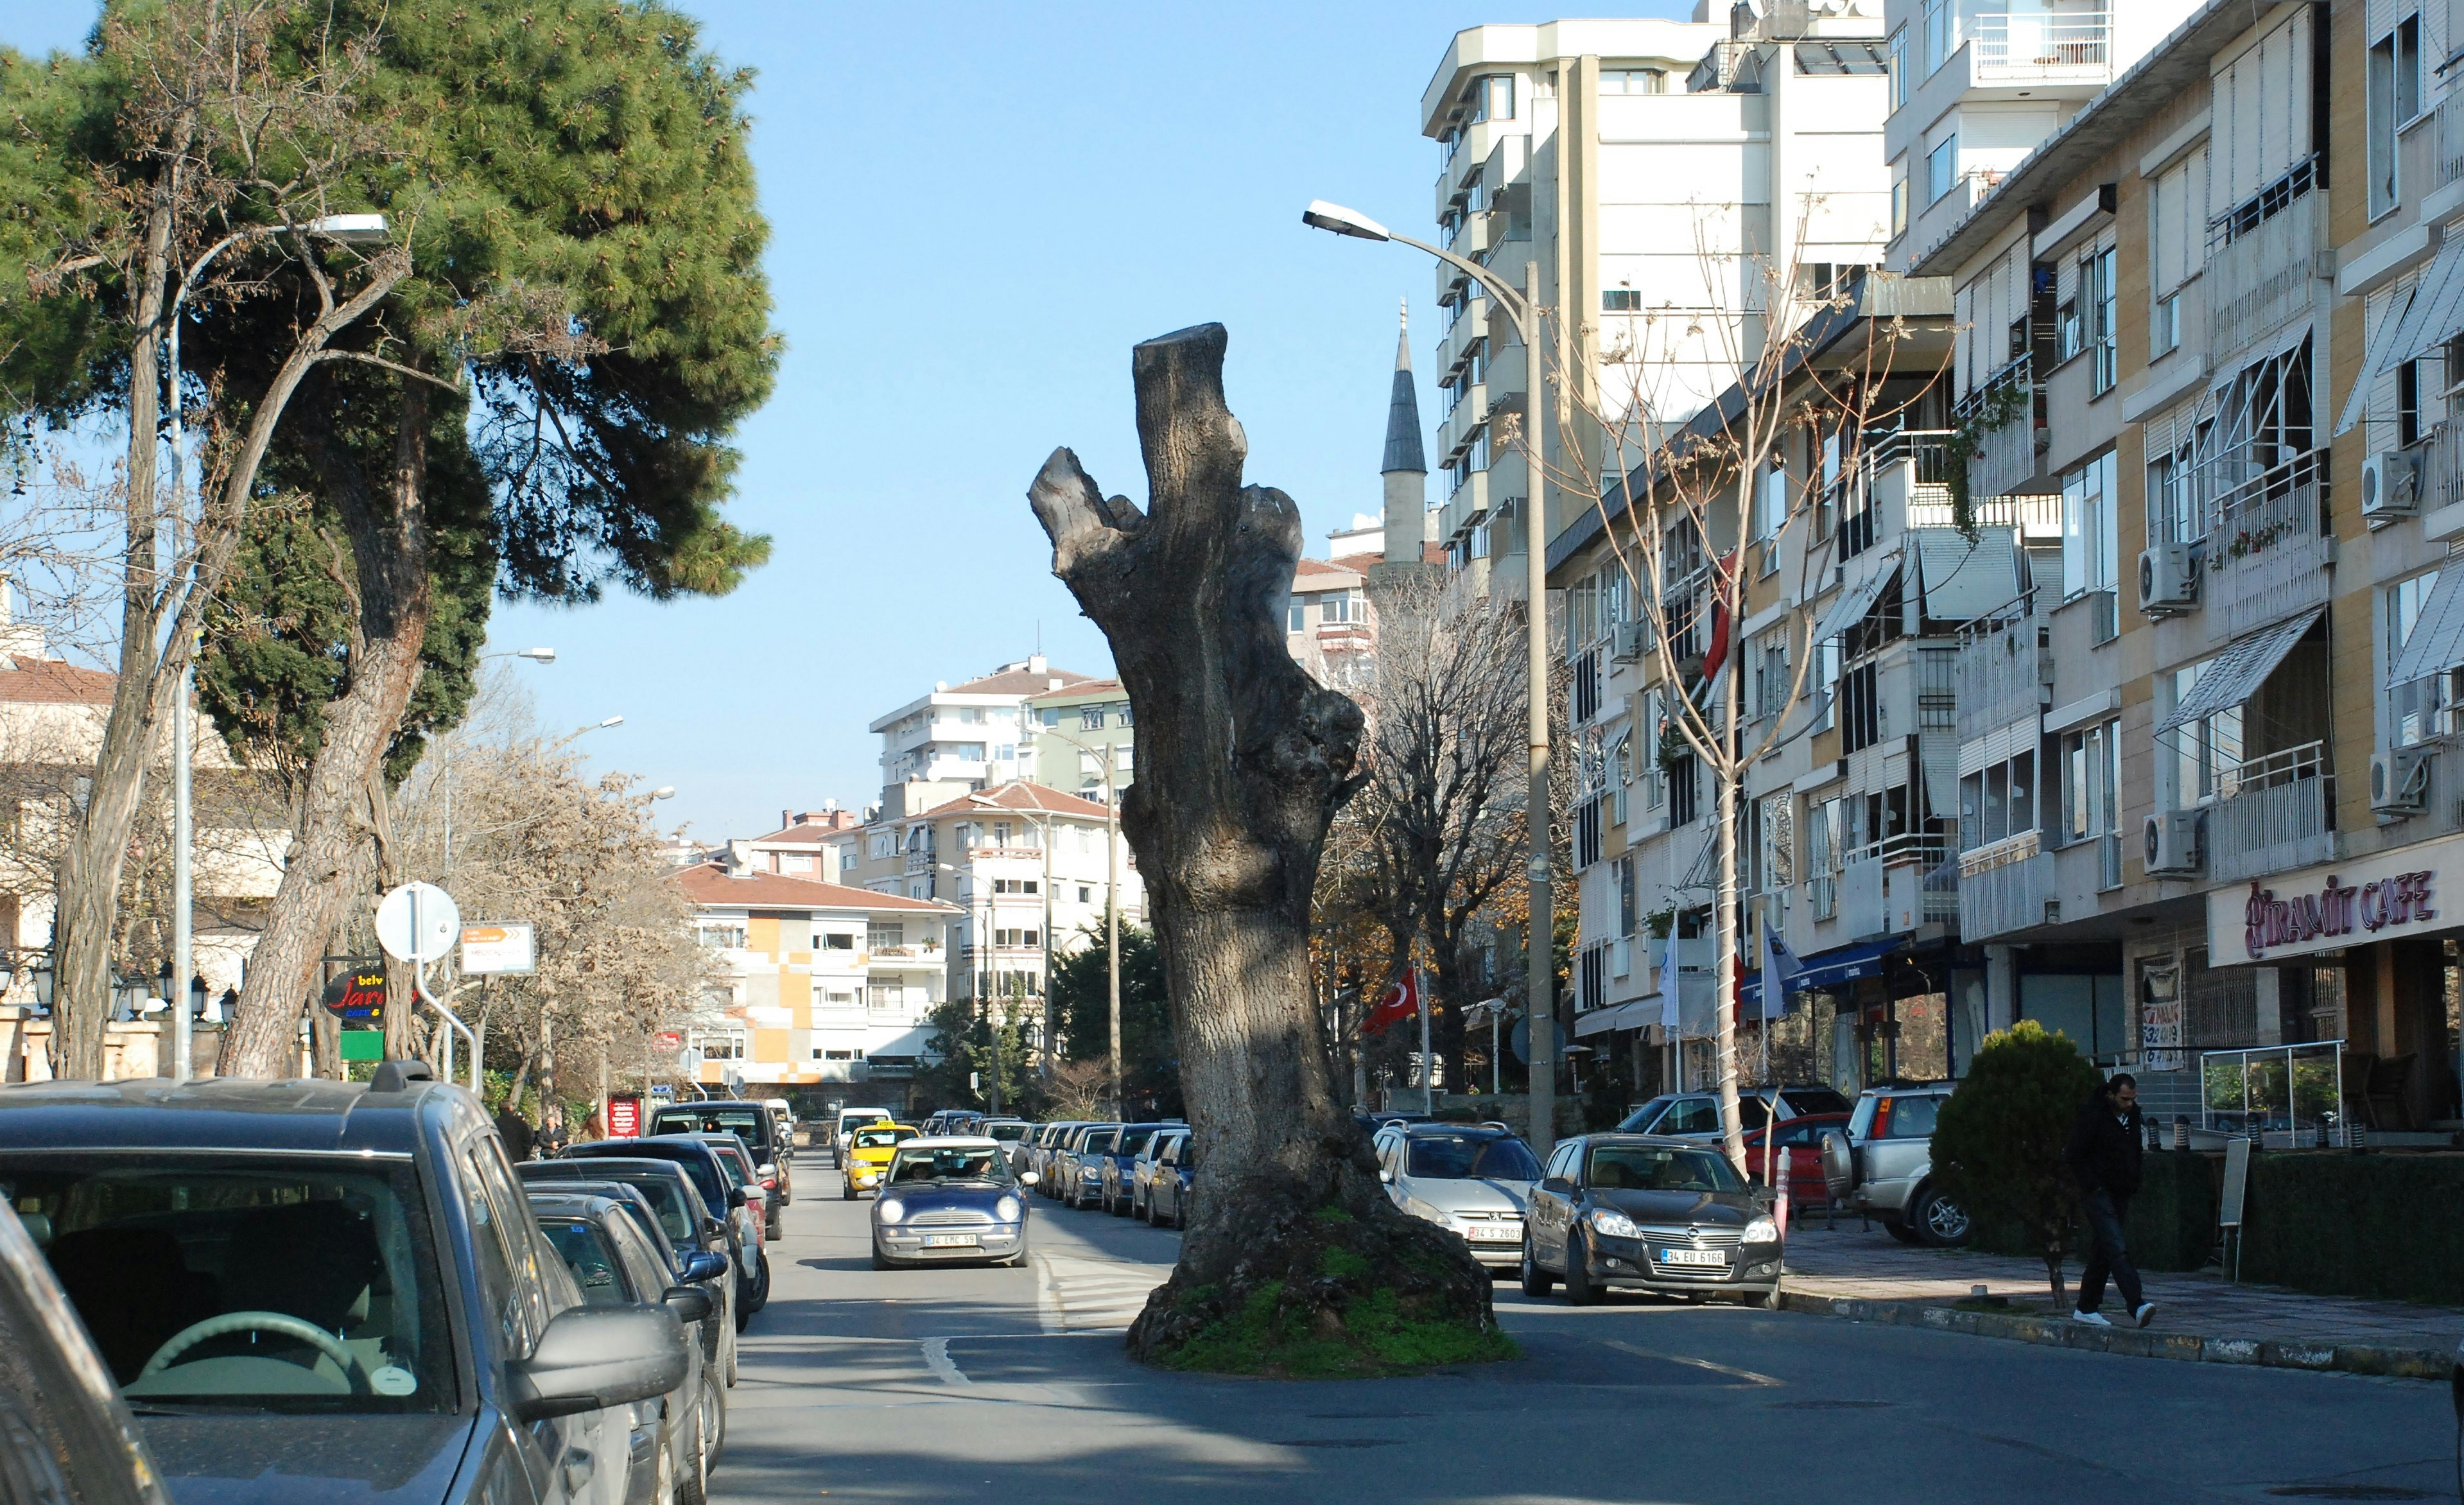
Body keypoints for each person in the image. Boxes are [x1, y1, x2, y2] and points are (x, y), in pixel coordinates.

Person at [2066, 1072, 2153, 1328]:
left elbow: (2134, 1150)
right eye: (2124, 1099)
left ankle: (2086, 1306)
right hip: (2098, 1192)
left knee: (2103, 1249)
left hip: (2121, 1190)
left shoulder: (2133, 1115)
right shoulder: (2093, 1115)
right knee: (2116, 1246)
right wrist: (2092, 1185)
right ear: (2111, 1094)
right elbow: (2073, 1154)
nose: (2129, 1103)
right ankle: (2136, 1304)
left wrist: (2134, 1180)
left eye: (2133, 1099)